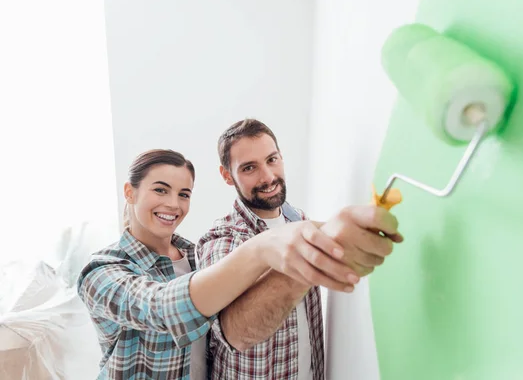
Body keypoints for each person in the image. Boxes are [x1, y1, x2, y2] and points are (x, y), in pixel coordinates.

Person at [77, 148, 400, 380]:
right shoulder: (102, 271)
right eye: (160, 190)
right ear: (129, 193)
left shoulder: (193, 255)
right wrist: (260, 248)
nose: (173, 204)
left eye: (184, 193)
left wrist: (336, 233)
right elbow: (163, 308)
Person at [197, 119, 403, 380]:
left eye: (272, 160)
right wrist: (313, 258)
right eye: (249, 168)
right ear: (227, 176)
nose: (268, 177)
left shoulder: (297, 219)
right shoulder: (221, 239)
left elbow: (330, 229)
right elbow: (238, 334)